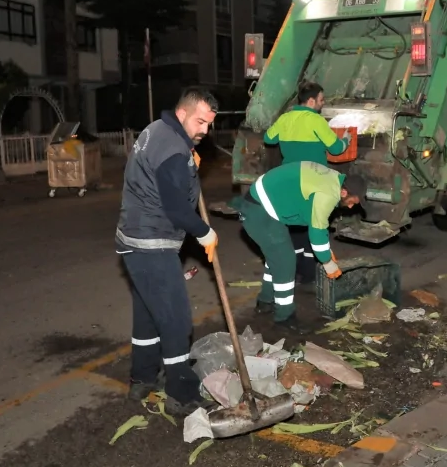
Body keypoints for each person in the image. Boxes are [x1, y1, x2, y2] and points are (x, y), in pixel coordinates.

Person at [115, 88, 219, 417]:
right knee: (176, 321)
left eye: (210, 124)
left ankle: (143, 379)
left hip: (132, 238)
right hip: (152, 241)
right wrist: (205, 233)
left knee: (148, 315)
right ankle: (181, 393)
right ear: (183, 112)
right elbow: (176, 208)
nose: (205, 129)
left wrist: (187, 162)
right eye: (200, 121)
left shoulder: (156, 130)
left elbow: (156, 175)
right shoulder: (174, 149)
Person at [233, 160, 367, 334]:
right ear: (343, 192)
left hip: (261, 203)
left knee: (276, 256)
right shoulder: (327, 195)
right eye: (351, 201)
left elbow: (316, 222)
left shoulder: (333, 179)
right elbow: (317, 233)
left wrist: (327, 252)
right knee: (285, 261)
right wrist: (328, 262)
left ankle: (265, 302)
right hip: (259, 210)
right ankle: (284, 318)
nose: (350, 206)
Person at [263, 82, 351, 285]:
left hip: (290, 181)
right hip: (313, 183)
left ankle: (293, 269)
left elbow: (268, 138)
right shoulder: (316, 121)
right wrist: (346, 139)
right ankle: (309, 274)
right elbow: (336, 149)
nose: (323, 103)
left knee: (293, 225)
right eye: (321, 99)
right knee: (314, 223)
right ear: (311, 101)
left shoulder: (285, 118)